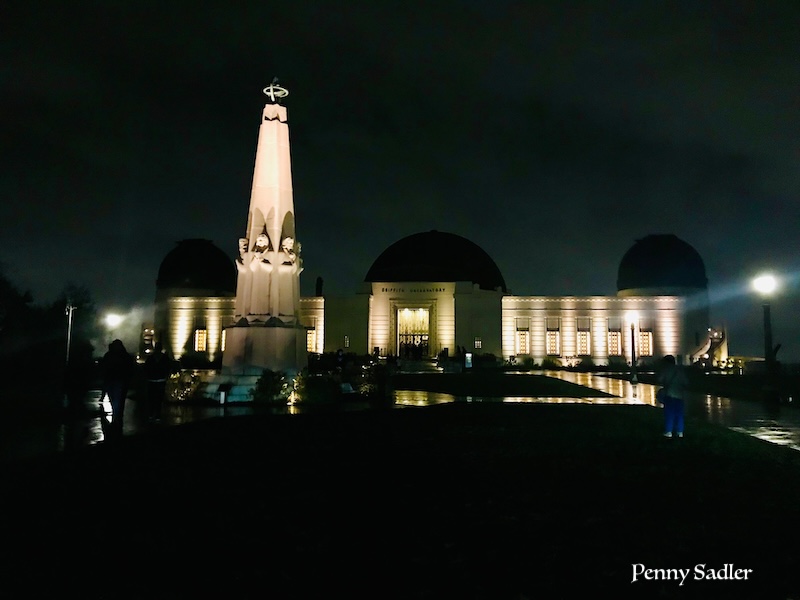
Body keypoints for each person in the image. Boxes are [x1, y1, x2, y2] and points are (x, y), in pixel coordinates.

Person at [100, 339, 135, 439]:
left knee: (115, 401)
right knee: (118, 402)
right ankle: (117, 420)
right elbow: (130, 368)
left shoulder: (110, 355)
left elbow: (104, 368)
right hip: (120, 381)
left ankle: (116, 420)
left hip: (114, 381)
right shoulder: (124, 356)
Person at [657, 354, 689, 438]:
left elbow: (659, 379)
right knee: (679, 414)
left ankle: (668, 431)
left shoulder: (666, 370)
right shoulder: (679, 370)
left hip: (669, 395)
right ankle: (680, 432)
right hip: (679, 395)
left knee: (669, 414)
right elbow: (685, 382)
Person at [143, 341, 172, 423]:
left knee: (151, 398)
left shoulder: (150, 358)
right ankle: (157, 415)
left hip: (152, 380)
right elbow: (168, 368)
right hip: (160, 380)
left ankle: (151, 415)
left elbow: (146, 368)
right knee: (159, 399)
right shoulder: (164, 358)